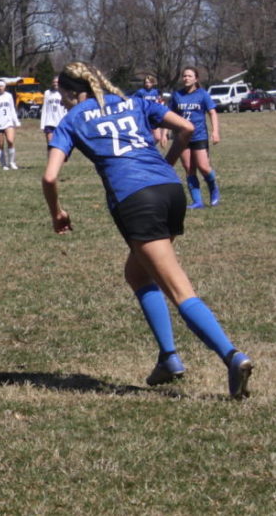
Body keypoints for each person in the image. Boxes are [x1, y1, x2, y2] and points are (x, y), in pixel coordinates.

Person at [42, 61, 253, 399]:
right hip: (170, 192)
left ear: (69, 92)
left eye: (62, 94)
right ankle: (169, 358)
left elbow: (50, 176)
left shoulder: (72, 119)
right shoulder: (135, 101)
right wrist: (165, 165)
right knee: (138, 274)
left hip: (136, 200)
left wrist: (57, 213)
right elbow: (185, 128)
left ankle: (232, 356)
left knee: (178, 288)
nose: (63, 101)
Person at [170, 67, 220, 209]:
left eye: (189, 76)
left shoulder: (203, 94)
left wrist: (215, 132)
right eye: (184, 76)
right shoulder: (177, 95)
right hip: (182, 137)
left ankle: (213, 189)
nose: (186, 78)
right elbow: (168, 115)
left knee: (203, 167)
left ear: (196, 79)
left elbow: (212, 112)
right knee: (188, 168)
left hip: (199, 135)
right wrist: (163, 133)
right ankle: (197, 202)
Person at [0, 80, 21, 169]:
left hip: (8, 122)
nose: (0, 88)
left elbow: (12, 109)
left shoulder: (9, 96)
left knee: (10, 141)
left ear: (5, 87)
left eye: (2, 86)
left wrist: (16, 121)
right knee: (0, 145)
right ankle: (4, 164)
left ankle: (12, 162)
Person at [133, 75, 167, 148]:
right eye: (146, 82)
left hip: (153, 116)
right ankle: (144, 147)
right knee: (145, 135)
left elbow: (160, 101)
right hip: (144, 116)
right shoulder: (140, 92)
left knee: (157, 137)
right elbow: (135, 102)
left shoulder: (156, 92)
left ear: (153, 83)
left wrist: (160, 102)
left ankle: (147, 147)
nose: (147, 84)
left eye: (149, 82)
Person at [39, 76, 67, 144]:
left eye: (57, 82)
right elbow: (45, 108)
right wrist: (43, 124)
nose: (55, 84)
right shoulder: (47, 93)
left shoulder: (64, 93)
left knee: (59, 144)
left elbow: (66, 109)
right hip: (49, 122)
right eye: (54, 82)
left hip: (60, 122)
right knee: (50, 144)